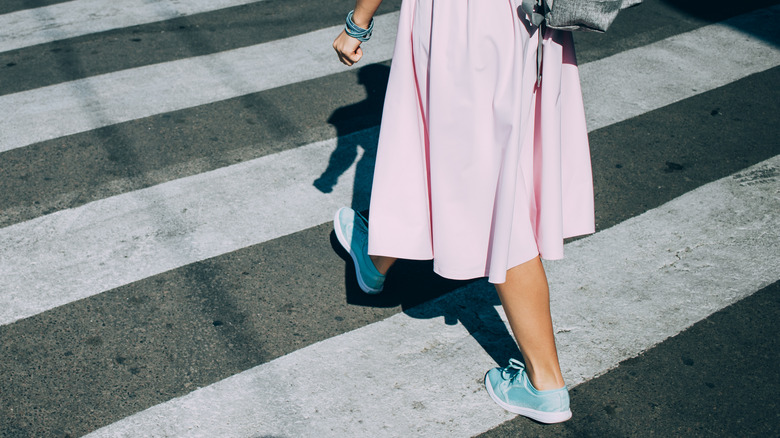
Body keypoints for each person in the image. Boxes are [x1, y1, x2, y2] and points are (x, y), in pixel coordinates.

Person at [332, 0, 594, 424]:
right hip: (529, 20)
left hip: (460, 24)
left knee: (463, 172)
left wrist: (358, 22)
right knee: (487, 165)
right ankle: (373, 258)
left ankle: (546, 385)